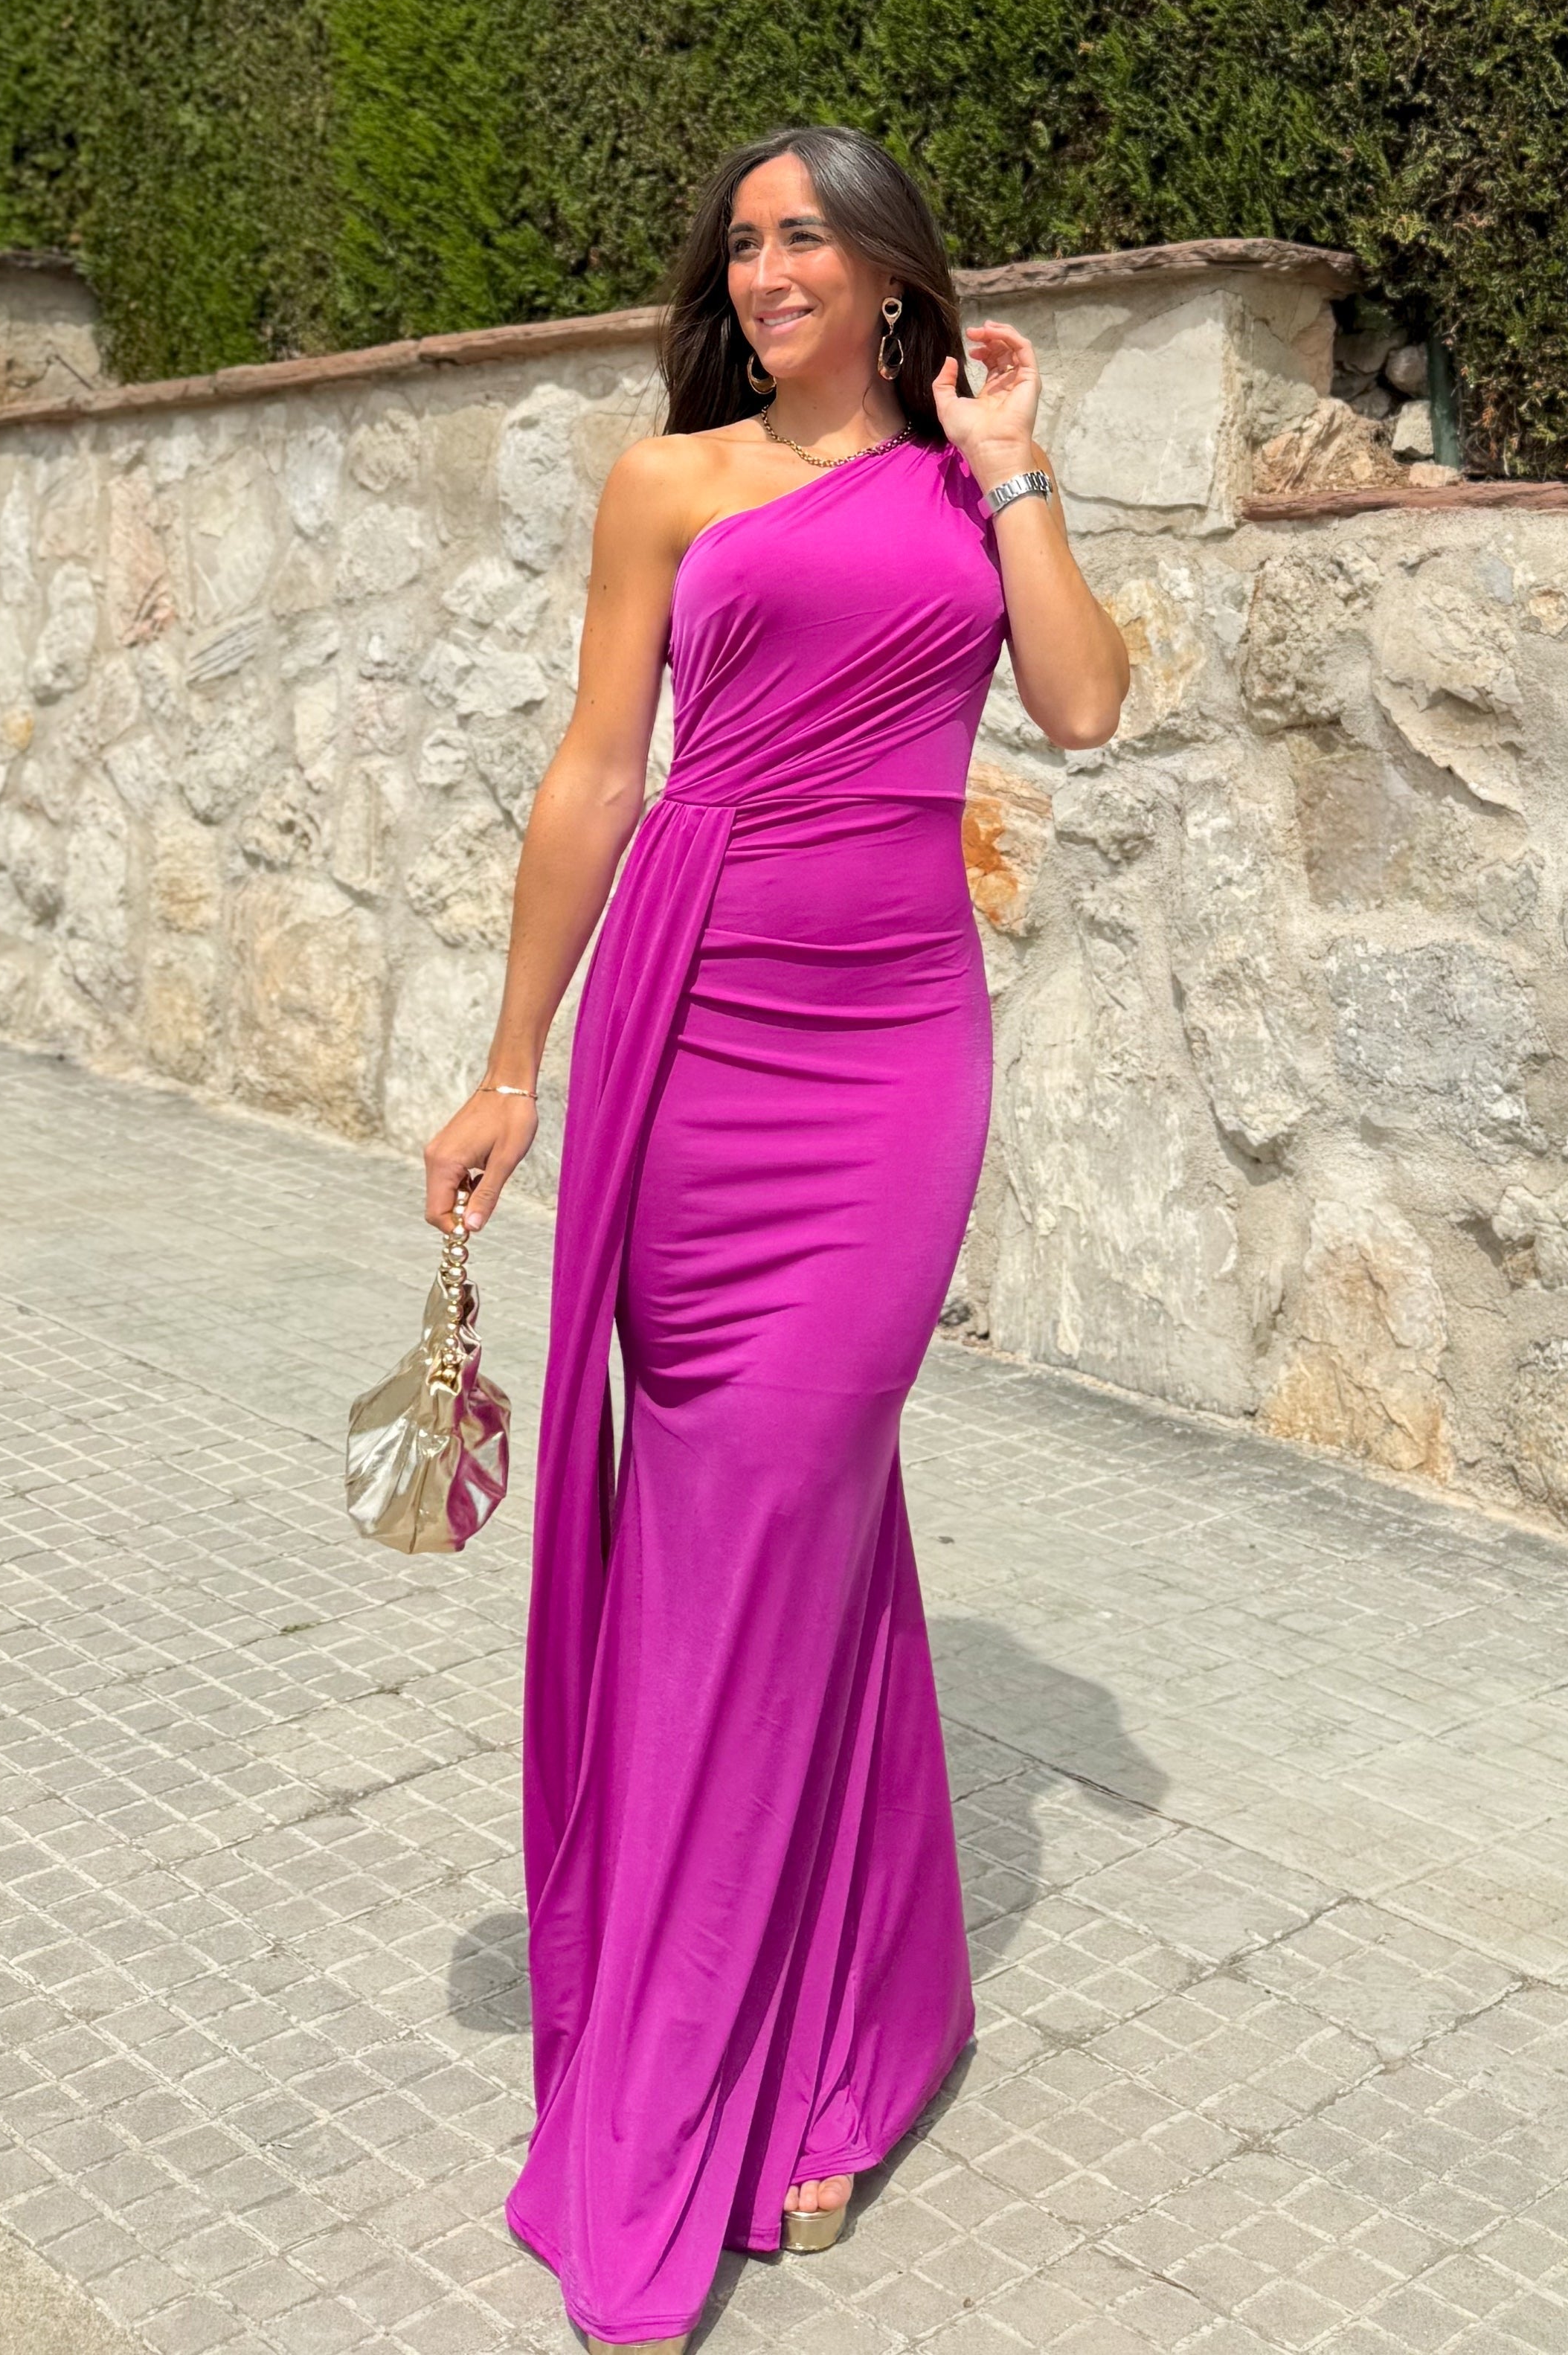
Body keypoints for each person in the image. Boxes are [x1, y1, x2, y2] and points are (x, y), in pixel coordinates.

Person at [422, 124, 1129, 2352]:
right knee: (759, 1532)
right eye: (742, 244)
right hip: (691, 1018)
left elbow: (1085, 705)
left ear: (895, 267)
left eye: (805, 235)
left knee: (787, 1499)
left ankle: (744, 2055)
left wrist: (1014, 469)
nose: (765, 270)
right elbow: (593, 773)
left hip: (891, 1046)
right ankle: (817, 2027)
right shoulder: (670, 484)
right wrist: (512, 1064)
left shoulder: (968, 482)